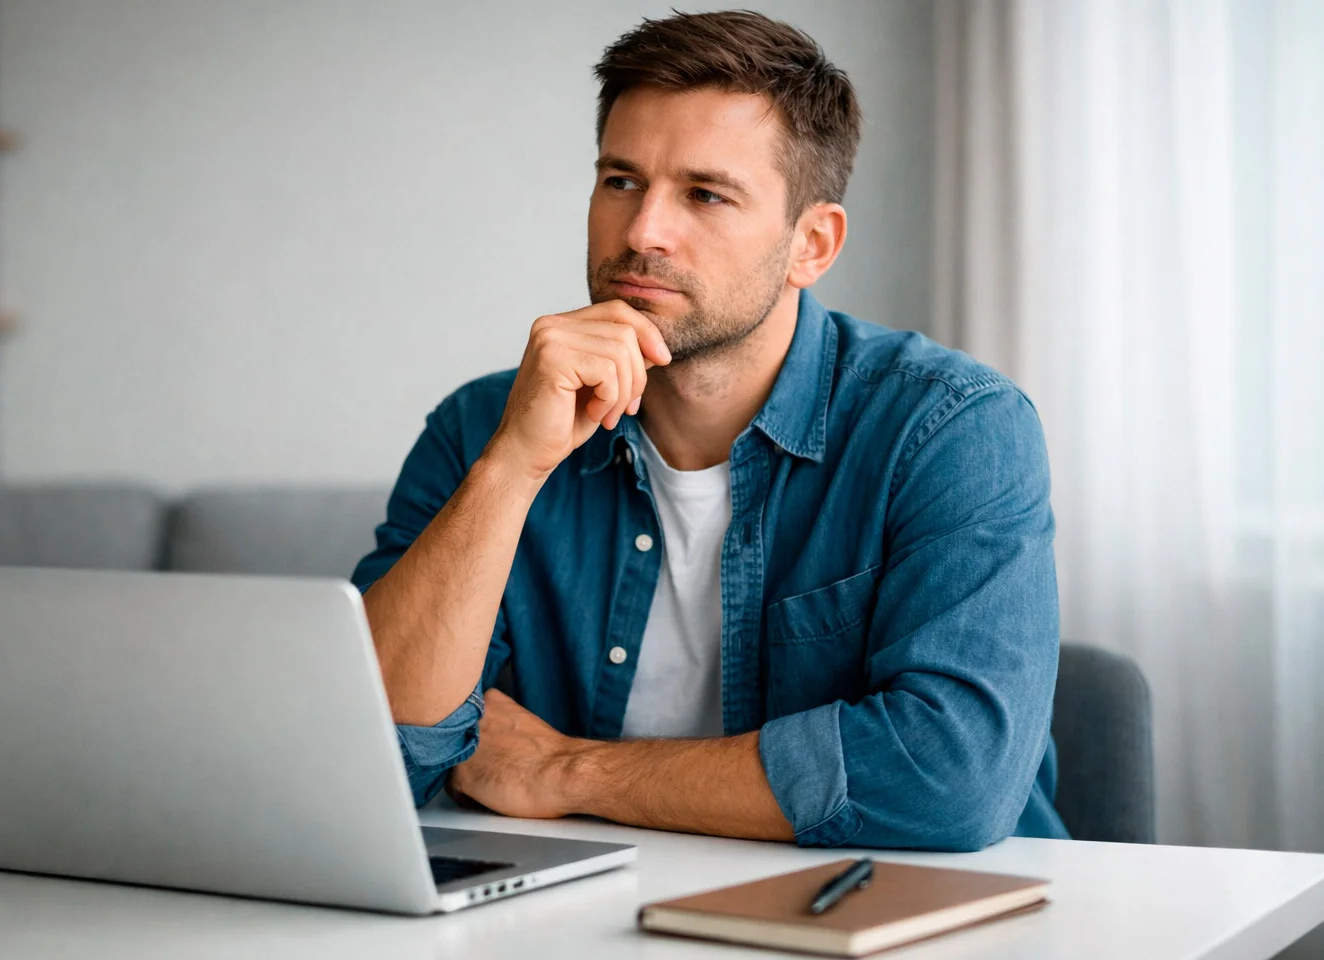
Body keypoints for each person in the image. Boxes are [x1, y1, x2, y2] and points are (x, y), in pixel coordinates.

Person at [353, 10, 1068, 850]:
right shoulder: (485, 425)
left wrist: (566, 771)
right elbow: (373, 749)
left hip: (910, 915)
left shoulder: (951, 429)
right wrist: (512, 468)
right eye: (621, 180)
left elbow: (950, 778)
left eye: (705, 194)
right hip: (590, 914)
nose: (643, 231)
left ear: (812, 244)